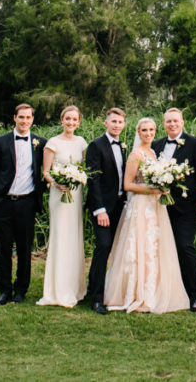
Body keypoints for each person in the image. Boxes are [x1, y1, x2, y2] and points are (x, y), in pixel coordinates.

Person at [104, 117, 189, 314]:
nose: (148, 133)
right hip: (141, 206)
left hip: (155, 206)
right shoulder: (136, 154)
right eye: (144, 130)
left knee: (153, 248)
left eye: (151, 130)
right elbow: (128, 185)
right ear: (138, 132)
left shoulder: (153, 153)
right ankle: (135, 292)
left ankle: (153, 290)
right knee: (139, 247)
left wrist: (163, 187)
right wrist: (152, 189)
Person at [0, 103, 46, 305]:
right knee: (3, 249)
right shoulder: (1, 142)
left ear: (32, 120)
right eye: (21, 117)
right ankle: (4, 290)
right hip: (3, 203)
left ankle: (21, 290)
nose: (24, 121)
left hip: (27, 203)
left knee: (25, 249)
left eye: (28, 117)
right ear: (14, 118)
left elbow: (46, 172)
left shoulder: (40, 143)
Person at [151, 107, 196, 312]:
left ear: (182, 122)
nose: (172, 124)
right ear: (164, 124)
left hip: (187, 207)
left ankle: (194, 294)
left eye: (176, 121)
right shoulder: (156, 145)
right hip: (160, 207)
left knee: (185, 247)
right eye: (168, 121)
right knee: (161, 248)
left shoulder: (195, 143)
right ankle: (165, 290)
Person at [36, 105, 88, 308]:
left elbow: (84, 169)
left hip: (75, 194)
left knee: (74, 237)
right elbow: (46, 172)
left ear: (79, 122)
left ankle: (75, 287)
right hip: (59, 195)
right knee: (61, 237)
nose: (71, 122)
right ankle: (56, 289)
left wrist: (78, 178)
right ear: (61, 120)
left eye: (74, 119)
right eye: (68, 119)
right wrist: (57, 183)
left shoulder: (82, 143)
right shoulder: (53, 143)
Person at [84, 108, 128, 315]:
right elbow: (93, 179)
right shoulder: (96, 145)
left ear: (123, 124)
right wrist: (99, 209)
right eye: (113, 121)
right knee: (103, 246)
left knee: (111, 248)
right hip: (103, 207)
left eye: (120, 122)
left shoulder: (123, 146)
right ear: (106, 123)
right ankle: (97, 298)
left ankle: (95, 288)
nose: (117, 125)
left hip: (120, 206)